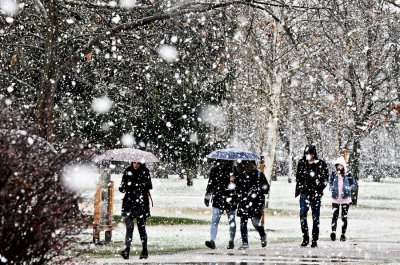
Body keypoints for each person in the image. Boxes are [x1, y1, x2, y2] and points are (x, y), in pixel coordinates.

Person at [295, 144, 329, 248]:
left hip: (316, 194)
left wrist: (319, 188)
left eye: (309, 153)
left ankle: (314, 239)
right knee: (302, 215)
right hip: (305, 193)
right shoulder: (302, 163)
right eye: (306, 153)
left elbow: (325, 178)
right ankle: (305, 237)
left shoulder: (321, 164)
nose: (308, 155)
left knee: (316, 217)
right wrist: (302, 187)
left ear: (313, 154)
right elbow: (298, 177)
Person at [119, 162, 152, 260]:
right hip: (129, 203)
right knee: (129, 227)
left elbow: (149, 186)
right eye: (134, 163)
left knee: (141, 228)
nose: (136, 165)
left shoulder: (145, 172)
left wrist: (137, 184)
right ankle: (127, 250)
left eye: (138, 163)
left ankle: (144, 250)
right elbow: (121, 188)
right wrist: (124, 187)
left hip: (141, 204)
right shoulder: (127, 171)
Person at [204, 159, 238, 249]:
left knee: (231, 221)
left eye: (226, 160)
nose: (224, 162)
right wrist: (207, 197)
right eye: (222, 160)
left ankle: (231, 241)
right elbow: (210, 184)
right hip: (218, 198)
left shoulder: (234, 170)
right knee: (214, 220)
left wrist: (233, 181)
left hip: (230, 199)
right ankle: (212, 240)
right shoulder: (215, 170)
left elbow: (238, 186)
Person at [236, 160, 269, 250]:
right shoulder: (242, 176)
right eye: (246, 164)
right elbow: (238, 189)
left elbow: (266, 188)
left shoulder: (259, 175)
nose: (248, 166)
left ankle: (263, 235)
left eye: (250, 164)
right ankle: (245, 243)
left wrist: (259, 190)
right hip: (244, 202)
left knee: (255, 223)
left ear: (254, 165)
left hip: (256, 203)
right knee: (243, 223)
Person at [329, 156, 357, 242]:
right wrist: (332, 188)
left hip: (345, 199)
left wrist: (348, 188)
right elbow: (330, 182)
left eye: (340, 165)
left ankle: (343, 234)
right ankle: (333, 232)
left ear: (343, 166)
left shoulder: (348, 174)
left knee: (344, 217)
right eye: (337, 165)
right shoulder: (334, 174)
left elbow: (354, 184)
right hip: (335, 198)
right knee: (335, 216)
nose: (338, 167)